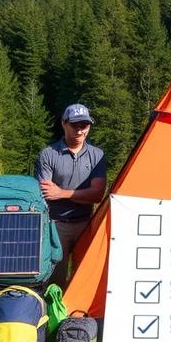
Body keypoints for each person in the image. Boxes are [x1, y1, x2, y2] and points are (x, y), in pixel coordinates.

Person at [35, 103, 107, 288]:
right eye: (75, 124)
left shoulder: (97, 155)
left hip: (86, 224)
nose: (80, 130)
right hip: (55, 225)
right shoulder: (48, 154)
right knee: (55, 280)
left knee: (83, 278)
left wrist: (61, 193)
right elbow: (46, 194)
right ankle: (54, 316)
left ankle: (79, 317)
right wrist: (81, 194)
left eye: (85, 125)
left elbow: (98, 194)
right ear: (64, 124)